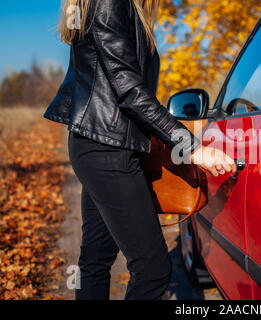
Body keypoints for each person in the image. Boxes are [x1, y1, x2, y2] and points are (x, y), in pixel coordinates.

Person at [43, 0, 236, 300]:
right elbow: (131, 91)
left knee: (96, 258)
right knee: (153, 269)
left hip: (99, 143)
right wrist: (193, 149)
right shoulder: (109, 3)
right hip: (106, 148)